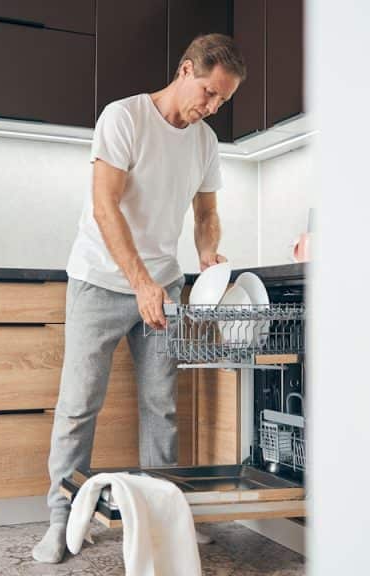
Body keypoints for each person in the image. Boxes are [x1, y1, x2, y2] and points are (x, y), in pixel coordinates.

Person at [32, 33, 247, 564]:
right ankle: (60, 520)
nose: (211, 106)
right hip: (101, 280)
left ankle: (162, 515)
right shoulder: (124, 117)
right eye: (208, 92)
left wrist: (209, 254)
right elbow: (106, 207)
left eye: (222, 100)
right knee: (80, 404)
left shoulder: (205, 142)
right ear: (185, 69)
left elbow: (205, 214)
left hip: (164, 285)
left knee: (160, 407)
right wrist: (141, 282)